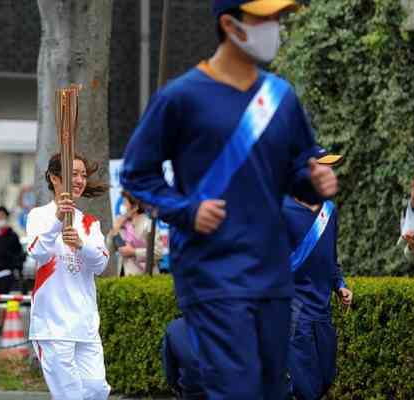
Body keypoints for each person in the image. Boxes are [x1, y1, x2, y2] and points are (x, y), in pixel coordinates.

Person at [120, 1, 338, 398]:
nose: (275, 27)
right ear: (230, 24)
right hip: (212, 272)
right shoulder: (182, 97)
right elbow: (137, 173)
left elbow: (296, 173)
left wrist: (315, 181)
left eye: (277, 18)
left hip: (271, 274)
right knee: (235, 387)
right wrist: (185, 210)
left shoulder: (280, 96)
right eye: (264, 19)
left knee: (271, 389)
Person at [26, 152, 111, 400]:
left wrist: (82, 245)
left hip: (85, 324)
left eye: (83, 175)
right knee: (70, 396)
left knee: (96, 389)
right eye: (73, 174)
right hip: (52, 326)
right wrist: (57, 221)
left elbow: (101, 265)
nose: (79, 179)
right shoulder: (39, 216)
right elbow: (36, 252)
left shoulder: (90, 224)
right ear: (55, 178)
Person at [281, 154, 353, 399]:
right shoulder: (282, 210)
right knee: (307, 386)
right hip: (293, 308)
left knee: (324, 378)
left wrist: (340, 285)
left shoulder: (329, 212)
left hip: (322, 309)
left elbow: (330, 260)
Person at [106, 191, 163, 276]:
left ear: (135, 207)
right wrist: (115, 229)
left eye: (125, 202)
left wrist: (134, 252)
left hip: (144, 277)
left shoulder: (148, 224)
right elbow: (109, 249)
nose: (123, 206)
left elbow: (158, 252)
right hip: (124, 276)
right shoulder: (122, 223)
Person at [161, 318, 205, 399]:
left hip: (191, 392)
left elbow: (169, 368)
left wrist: (176, 387)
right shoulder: (227, 321)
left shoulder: (174, 327)